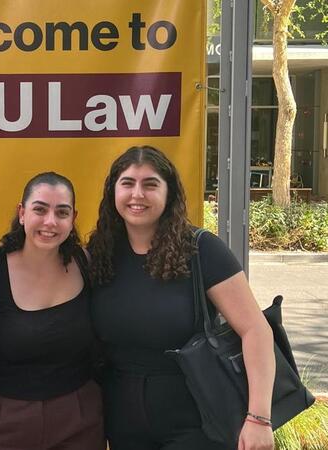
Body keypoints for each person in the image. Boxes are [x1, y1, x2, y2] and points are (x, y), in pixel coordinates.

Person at [87, 146, 275, 450]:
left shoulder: (202, 250)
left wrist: (258, 418)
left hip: (197, 415)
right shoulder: (100, 253)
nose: (137, 194)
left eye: (150, 184)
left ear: (169, 193)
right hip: (121, 415)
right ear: (112, 192)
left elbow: (255, 330)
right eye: (127, 183)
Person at [0, 172, 105, 450]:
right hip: (0, 420)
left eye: (62, 212)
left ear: (73, 218)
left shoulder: (86, 263)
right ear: (21, 213)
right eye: (39, 209)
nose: (50, 221)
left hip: (79, 420)